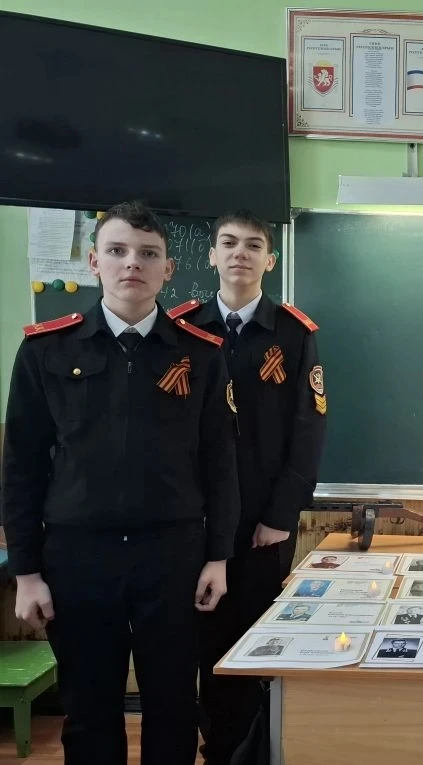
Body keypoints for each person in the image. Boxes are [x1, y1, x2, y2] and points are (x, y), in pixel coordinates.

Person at [1, 201, 240, 765]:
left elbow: (221, 463)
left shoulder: (200, 354)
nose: (133, 263)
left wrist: (218, 557)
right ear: (94, 262)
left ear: (168, 270)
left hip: (172, 558)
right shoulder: (46, 350)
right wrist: (27, 573)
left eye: (148, 254)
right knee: (88, 711)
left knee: (174, 706)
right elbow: (21, 467)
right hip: (79, 559)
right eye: (117, 250)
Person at [168, 209, 326, 765]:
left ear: (270, 260)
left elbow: (309, 429)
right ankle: (218, 752)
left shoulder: (294, 333)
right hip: (195, 523)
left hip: (263, 524)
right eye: (229, 243)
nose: (240, 253)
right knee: (203, 646)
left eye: (253, 245)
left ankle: (255, 753)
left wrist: (281, 515)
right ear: (212, 255)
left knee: (257, 644)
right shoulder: (182, 328)